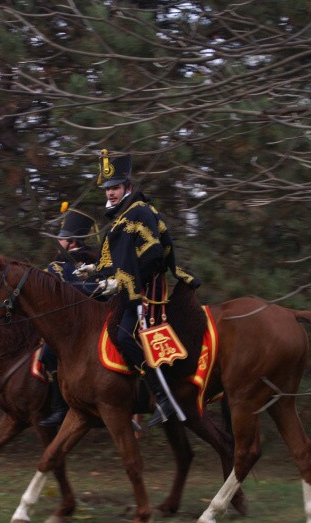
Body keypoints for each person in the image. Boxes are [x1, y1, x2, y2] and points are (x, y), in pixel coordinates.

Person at [77, 149, 200, 426]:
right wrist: (94, 270)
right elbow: (115, 261)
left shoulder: (140, 212)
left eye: (115, 187)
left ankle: (163, 396)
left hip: (145, 291)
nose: (110, 193)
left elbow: (153, 256)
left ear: (127, 187)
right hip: (126, 290)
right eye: (107, 188)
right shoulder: (119, 219)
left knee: (122, 337)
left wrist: (121, 281)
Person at [38, 206, 107, 427]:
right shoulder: (57, 267)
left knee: (48, 354)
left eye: (62, 238)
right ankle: (60, 406)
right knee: (46, 355)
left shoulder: (93, 265)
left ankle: (65, 408)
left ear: (73, 243)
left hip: (92, 325)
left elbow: (100, 291)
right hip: (68, 327)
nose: (58, 241)